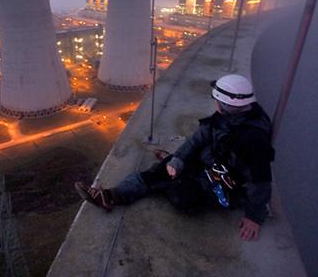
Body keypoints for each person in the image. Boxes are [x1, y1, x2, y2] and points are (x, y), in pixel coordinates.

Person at [75, 74, 275, 242]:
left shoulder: (253, 139)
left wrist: (254, 216)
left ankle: (170, 181)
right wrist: (178, 159)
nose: (214, 104)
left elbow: (261, 181)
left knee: (181, 197)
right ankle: (111, 196)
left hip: (226, 181)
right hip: (212, 164)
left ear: (224, 104)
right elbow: (195, 141)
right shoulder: (228, 118)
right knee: (161, 171)